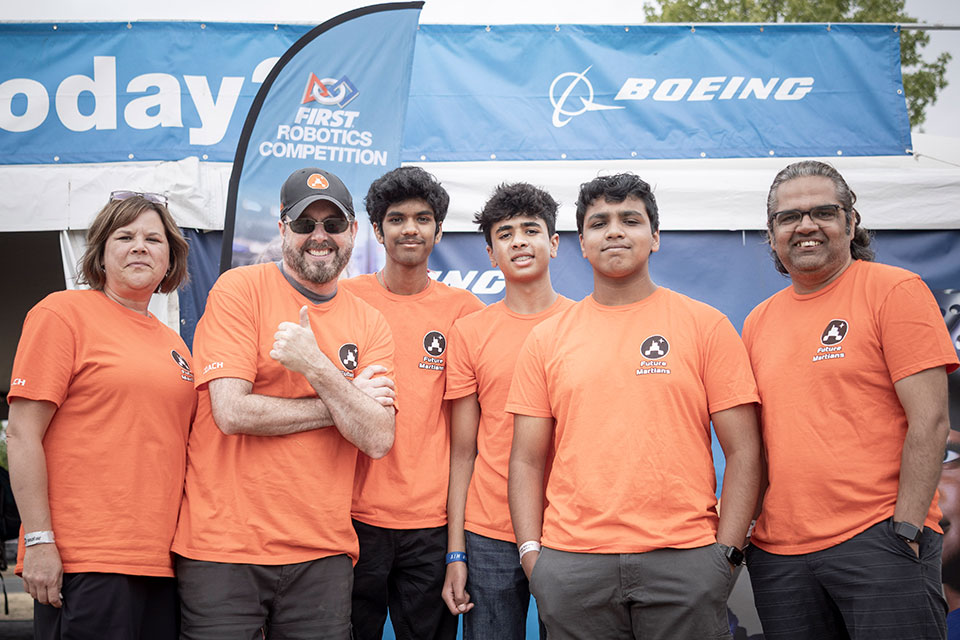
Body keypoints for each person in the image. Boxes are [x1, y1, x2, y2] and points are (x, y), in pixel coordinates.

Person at [506, 172, 762, 640]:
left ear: (656, 237)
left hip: (686, 561)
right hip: (573, 566)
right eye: (599, 222)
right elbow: (525, 459)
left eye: (630, 219)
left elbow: (745, 451)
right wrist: (532, 557)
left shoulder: (705, 325)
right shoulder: (546, 340)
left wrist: (726, 554)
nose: (615, 231)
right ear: (581, 243)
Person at [172, 167, 397, 640]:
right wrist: (345, 401)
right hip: (224, 549)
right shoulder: (239, 289)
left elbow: (378, 437)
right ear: (282, 230)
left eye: (333, 225)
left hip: (322, 552)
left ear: (352, 232)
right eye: (304, 224)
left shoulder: (370, 321)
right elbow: (231, 412)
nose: (319, 236)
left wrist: (314, 366)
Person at [742, 161, 958, 640]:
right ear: (772, 232)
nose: (806, 226)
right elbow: (757, 446)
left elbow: (931, 419)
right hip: (781, 556)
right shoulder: (758, 321)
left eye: (823, 212)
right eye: (789, 217)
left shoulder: (895, 290)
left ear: (851, 222)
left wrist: (905, 529)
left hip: (879, 539)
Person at [7, 190, 194, 639]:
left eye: (154, 239)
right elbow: (20, 435)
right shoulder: (63, 313)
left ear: (170, 260)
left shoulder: (176, 344)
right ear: (100, 255)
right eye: (124, 236)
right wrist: (39, 541)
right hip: (85, 557)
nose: (139, 246)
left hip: (162, 561)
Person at [342, 166, 483, 640]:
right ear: (377, 230)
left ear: (438, 230)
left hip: (433, 522)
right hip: (351, 516)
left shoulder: (465, 312)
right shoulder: (343, 300)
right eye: (397, 218)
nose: (410, 229)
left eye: (423, 219)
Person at [441, 182, 572, 639]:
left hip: (570, 528)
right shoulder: (470, 333)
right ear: (491, 254)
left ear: (553, 244)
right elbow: (462, 453)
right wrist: (456, 552)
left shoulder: (587, 323)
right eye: (505, 233)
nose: (519, 240)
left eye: (531, 229)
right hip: (488, 533)